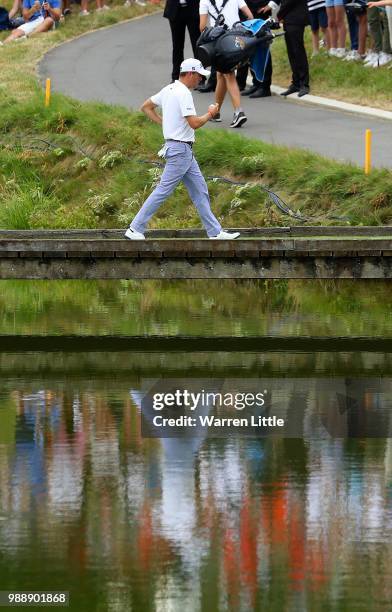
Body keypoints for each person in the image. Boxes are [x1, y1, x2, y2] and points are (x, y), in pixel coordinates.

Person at [125, 58, 240, 241]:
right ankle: (135, 228)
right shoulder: (183, 93)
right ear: (191, 74)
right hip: (180, 150)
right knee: (163, 190)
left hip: (180, 149)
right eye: (199, 76)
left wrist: (165, 124)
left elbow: (145, 107)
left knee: (200, 190)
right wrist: (210, 114)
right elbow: (194, 123)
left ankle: (215, 232)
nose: (201, 80)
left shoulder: (169, 89)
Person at [199, 0, 253, 127]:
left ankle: (239, 112)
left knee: (228, 74)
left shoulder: (205, 0)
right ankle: (216, 112)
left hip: (220, 41)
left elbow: (202, 27)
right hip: (236, 38)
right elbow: (250, 16)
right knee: (221, 74)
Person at [277, 0, 311, 97]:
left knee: (298, 51)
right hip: (289, 19)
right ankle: (296, 83)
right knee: (292, 53)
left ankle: (304, 84)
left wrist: (279, 15)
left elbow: (288, 2)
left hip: (296, 18)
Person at [163, 0, 201, 83]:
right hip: (175, 10)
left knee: (197, 44)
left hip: (193, 8)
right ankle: (176, 77)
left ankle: (200, 77)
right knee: (177, 46)